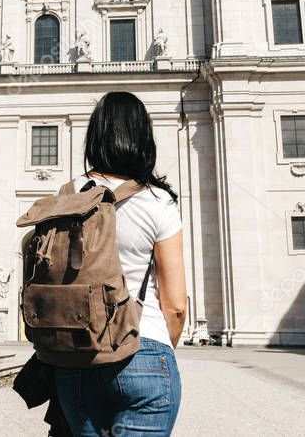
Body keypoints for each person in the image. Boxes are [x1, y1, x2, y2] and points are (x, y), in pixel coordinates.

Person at [51, 92, 187, 436]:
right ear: (143, 138)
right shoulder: (158, 202)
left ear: (96, 136)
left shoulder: (65, 196)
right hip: (142, 347)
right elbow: (176, 307)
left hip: (75, 357)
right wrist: (155, 347)